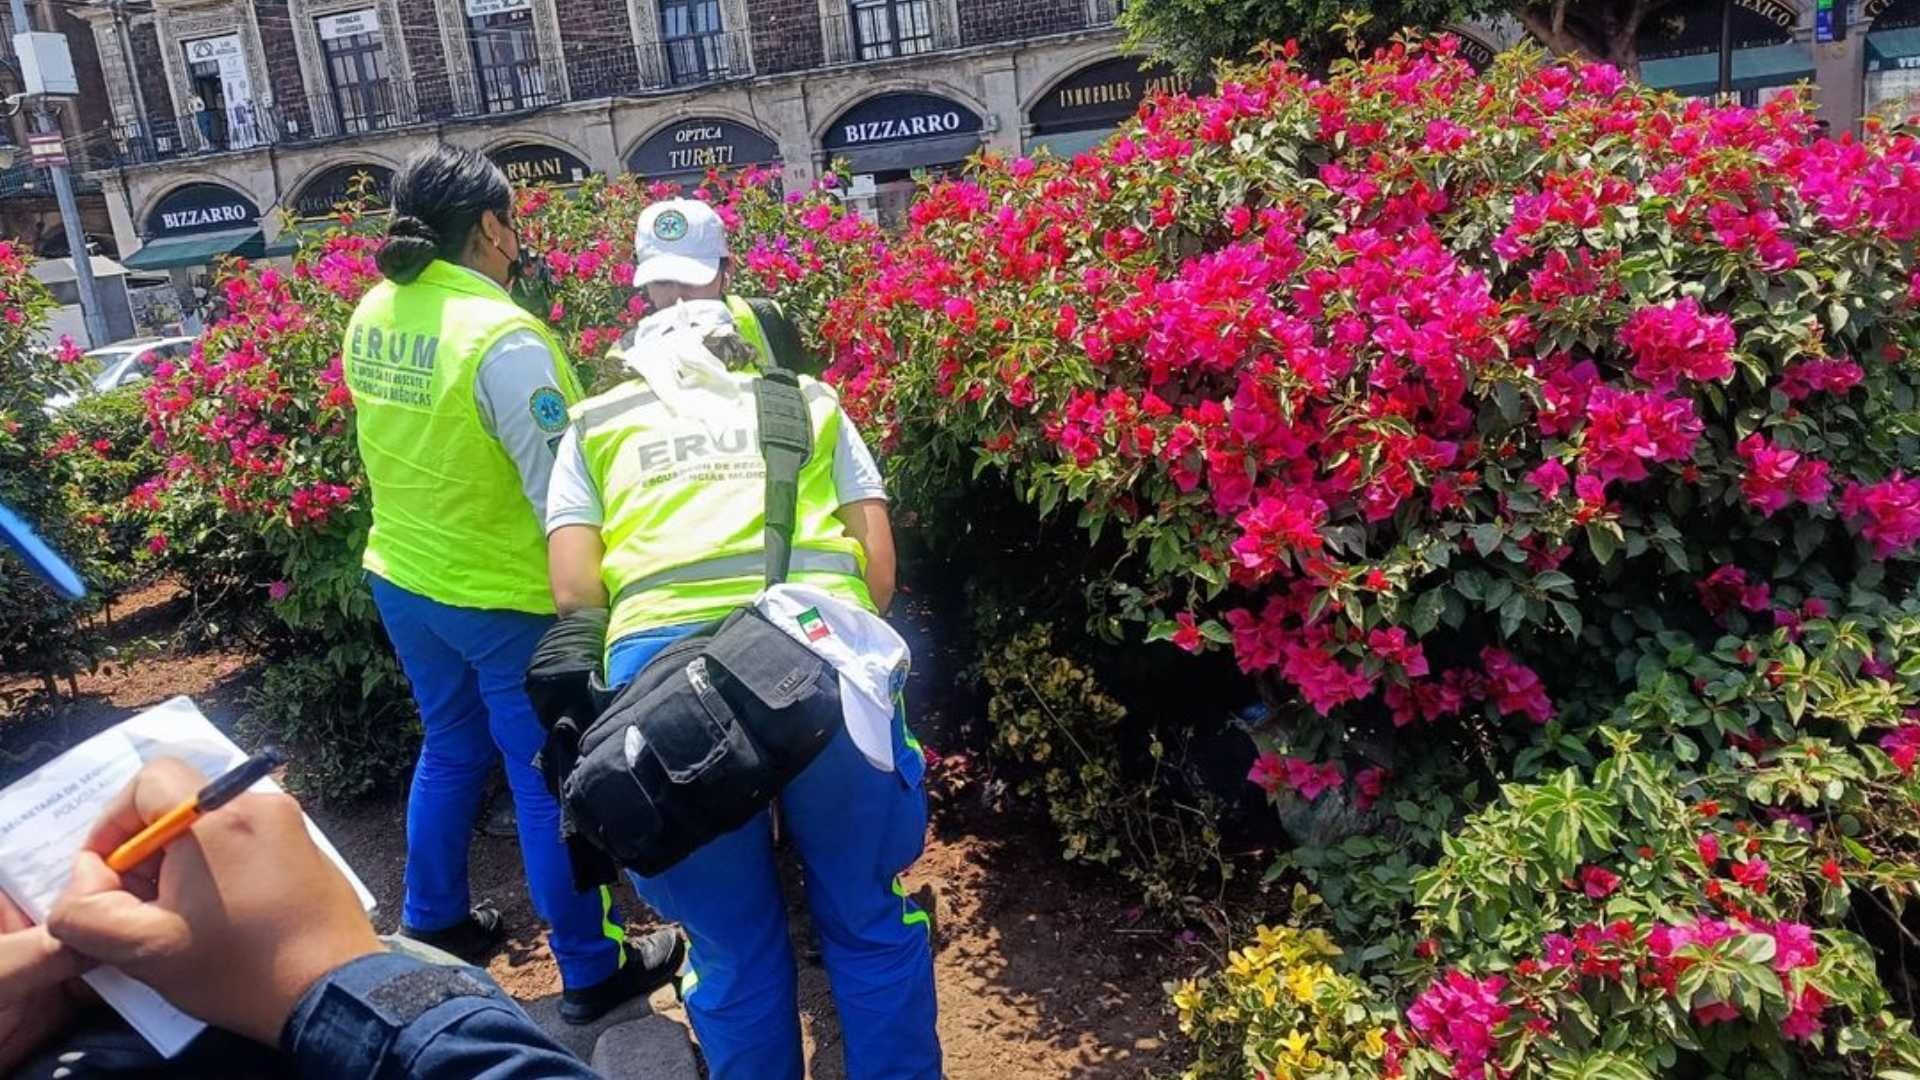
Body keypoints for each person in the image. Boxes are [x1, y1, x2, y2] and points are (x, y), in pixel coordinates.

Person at [542, 198, 939, 1079]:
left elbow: (574, 590)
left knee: (728, 950)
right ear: (729, 282)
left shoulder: (595, 425)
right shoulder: (812, 402)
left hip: (666, 704)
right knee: (870, 922)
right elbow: (877, 576)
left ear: (640, 294)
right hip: (822, 669)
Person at [342, 144, 679, 1025]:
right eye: (512, 222)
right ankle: (592, 968)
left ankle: (434, 925)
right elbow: (555, 492)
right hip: (501, 599)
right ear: (491, 227)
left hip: (405, 580)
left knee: (450, 749)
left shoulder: (374, 310)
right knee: (545, 781)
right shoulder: (502, 338)